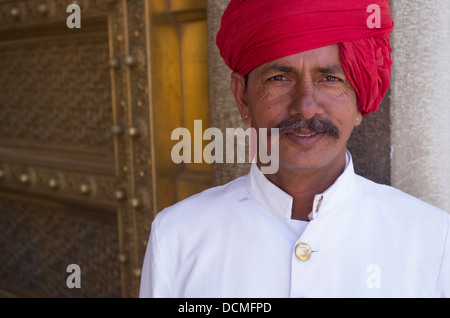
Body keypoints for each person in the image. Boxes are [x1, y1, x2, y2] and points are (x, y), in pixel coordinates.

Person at [140, 0, 449, 297]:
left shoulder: (431, 240)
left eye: (329, 78)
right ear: (242, 97)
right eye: (279, 78)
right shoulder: (177, 237)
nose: (306, 106)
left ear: (360, 101)